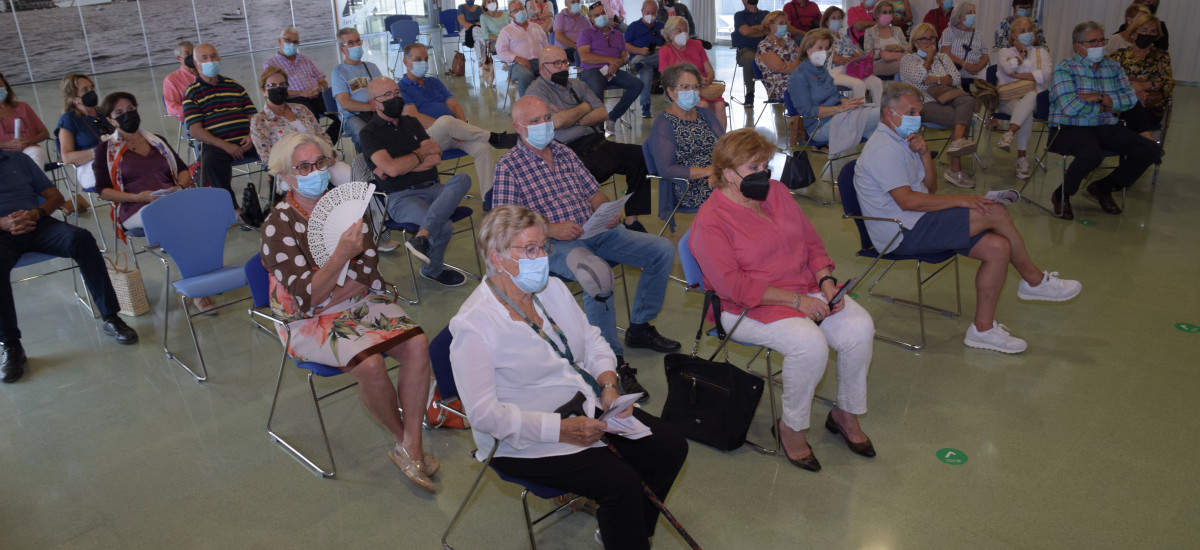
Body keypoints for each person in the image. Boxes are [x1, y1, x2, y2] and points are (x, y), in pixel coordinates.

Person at [449, 204, 687, 550]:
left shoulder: (551, 290)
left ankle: (629, 531)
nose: (541, 257)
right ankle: (626, 533)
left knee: (668, 446)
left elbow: (591, 340)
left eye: (543, 246)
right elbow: (485, 417)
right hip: (521, 439)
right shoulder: (474, 326)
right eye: (529, 249)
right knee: (620, 482)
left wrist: (608, 383)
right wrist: (560, 430)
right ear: (496, 258)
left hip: (583, 406)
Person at [690, 128, 876, 472]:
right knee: (810, 344)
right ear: (728, 173)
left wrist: (826, 279)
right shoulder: (711, 222)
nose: (764, 174)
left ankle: (845, 414)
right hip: (746, 306)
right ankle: (791, 427)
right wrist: (797, 302)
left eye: (765, 165)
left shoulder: (775, 192)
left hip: (804, 288)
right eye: (753, 167)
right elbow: (732, 286)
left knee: (859, 327)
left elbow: (811, 241)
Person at [261, 133, 437, 492]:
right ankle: (403, 438)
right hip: (305, 322)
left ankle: (410, 445)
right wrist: (341, 257)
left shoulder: (345, 206)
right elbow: (306, 299)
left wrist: (333, 286)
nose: (315, 171)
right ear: (288, 177)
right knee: (370, 364)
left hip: (358, 302)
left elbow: (369, 270)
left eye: (320, 163)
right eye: (304, 167)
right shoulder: (277, 225)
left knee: (418, 343)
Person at [855, 82, 1082, 354]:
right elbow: (908, 200)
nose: (917, 116)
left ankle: (982, 331)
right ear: (889, 114)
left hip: (916, 219)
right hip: (900, 232)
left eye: (918, 110)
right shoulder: (883, 148)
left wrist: (925, 154)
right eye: (910, 110)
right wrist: (963, 200)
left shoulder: (904, 140)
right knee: (995, 211)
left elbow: (929, 189)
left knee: (999, 248)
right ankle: (1034, 281)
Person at [493, 95, 682, 400]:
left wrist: (606, 209)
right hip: (552, 245)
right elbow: (505, 224)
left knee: (661, 249)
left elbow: (593, 193)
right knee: (597, 274)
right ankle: (611, 363)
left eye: (546, 117)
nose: (544, 125)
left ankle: (640, 326)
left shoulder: (565, 152)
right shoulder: (508, 167)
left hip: (595, 230)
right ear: (518, 127)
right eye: (535, 121)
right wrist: (549, 229)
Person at [1, 149, 140, 383]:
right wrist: (4, 222)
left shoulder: (18, 159)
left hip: (38, 223)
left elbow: (54, 196)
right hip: (2, 233)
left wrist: (37, 213)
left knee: (81, 239)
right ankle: (12, 346)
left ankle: (111, 317)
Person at [93, 92, 220, 314]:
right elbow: (103, 191)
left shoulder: (156, 141)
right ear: (111, 120)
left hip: (169, 199)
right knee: (176, 222)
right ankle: (196, 285)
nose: (128, 115)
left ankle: (204, 273)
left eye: (131, 109)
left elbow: (182, 171)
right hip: (134, 207)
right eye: (120, 113)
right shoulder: (105, 150)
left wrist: (178, 187)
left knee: (202, 214)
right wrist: (139, 197)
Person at [526, 46, 651, 230]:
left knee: (640, 155)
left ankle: (632, 220)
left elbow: (602, 113)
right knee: (579, 178)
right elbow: (557, 122)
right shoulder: (536, 92)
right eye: (556, 63)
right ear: (542, 67)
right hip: (567, 152)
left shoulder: (577, 85)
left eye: (565, 62)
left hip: (596, 142)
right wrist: (585, 108)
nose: (562, 67)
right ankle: (594, 225)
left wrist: (572, 117)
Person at [360, 77, 470, 287]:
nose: (395, 98)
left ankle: (422, 235)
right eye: (388, 95)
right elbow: (392, 170)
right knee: (444, 226)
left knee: (462, 179)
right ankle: (433, 271)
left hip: (433, 188)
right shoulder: (369, 133)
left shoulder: (411, 122)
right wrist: (420, 154)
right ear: (374, 103)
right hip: (401, 197)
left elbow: (436, 157)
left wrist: (401, 166)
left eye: (396, 93)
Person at [1047, 21, 1161, 219]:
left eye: (1102, 40)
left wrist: (1099, 99)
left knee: (1151, 150)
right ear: (1078, 46)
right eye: (1093, 42)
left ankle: (1102, 187)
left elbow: (1130, 99)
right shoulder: (1065, 68)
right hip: (1067, 128)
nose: (1099, 45)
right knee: (1092, 154)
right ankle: (1062, 194)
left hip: (1103, 126)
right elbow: (1069, 107)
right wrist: (1102, 99)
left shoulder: (1114, 68)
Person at [398, 43, 517, 197]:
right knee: (446, 121)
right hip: (428, 139)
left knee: (482, 148)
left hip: (454, 134)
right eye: (418, 59)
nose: (424, 63)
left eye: (426, 59)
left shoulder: (434, 82)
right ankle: (495, 137)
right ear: (406, 62)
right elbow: (415, 116)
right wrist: (450, 128)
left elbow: (453, 104)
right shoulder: (401, 88)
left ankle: (488, 198)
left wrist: (459, 127)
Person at [182, 44, 257, 212]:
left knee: (279, 149)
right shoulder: (191, 93)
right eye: (204, 58)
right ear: (196, 63)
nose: (210, 61)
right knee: (210, 162)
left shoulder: (234, 86)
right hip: (218, 144)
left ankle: (281, 195)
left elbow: (253, 116)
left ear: (219, 58)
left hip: (248, 140)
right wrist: (225, 145)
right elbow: (194, 129)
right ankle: (234, 210)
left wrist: (252, 135)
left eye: (213, 56)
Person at [900, 23, 977, 188]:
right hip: (924, 103)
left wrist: (935, 79)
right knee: (962, 118)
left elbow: (956, 79)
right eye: (923, 39)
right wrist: (930, 60)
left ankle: (957, 142)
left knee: (968, 100)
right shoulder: (908, 59)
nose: (928, 43)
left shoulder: (943, 57)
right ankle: (955, 168)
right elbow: (920, 77)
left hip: (949, 97)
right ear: (915, 42)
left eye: (932, 38)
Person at [250, 67, 351, 190]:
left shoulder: (301, 109)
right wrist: (302, 167)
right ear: (263, 90)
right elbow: (267, 158)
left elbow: (322, 135)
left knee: (356, 182)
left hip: (322, 162)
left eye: (282, 84)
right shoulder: (260, 120)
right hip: (293, 171)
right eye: (272, 85)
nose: (278, 88)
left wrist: (330, 155)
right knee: (314, 192)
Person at [649, 63, 724, 216]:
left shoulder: (705, 114)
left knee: (752, 185)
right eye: (684, 87)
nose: (691, 91)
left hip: (717, 174)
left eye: (695, 87)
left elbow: (726, 146)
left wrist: (717, 171)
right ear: (670, 91)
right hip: (689, 185)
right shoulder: (664, 123)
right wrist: (706, 171)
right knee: (735, 195)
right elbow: (666, 169)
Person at [789, 29, 881, 147]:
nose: (824, 52)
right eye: (820, 48)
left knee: (876, 131)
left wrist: (848, 102)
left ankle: (869, 161)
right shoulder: (799, 76)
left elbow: (836, 95)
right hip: (820, 127)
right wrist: (838, 109)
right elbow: (807, 112)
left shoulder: (821, 70)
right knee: (882, 114)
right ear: (807, 49)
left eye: (827, 48)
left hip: (839, 117)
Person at [995, 17, 1053, 180]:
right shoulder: (1004, 52)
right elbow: (1007, 68)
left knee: (1032, 96)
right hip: (1008, 100)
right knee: (1025, 112)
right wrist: (1022, 53)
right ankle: (1021, 157)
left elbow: (1045, 76)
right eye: (1022, 31)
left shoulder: (1042, 53)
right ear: (1013, 35)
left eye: (1030, 30)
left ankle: (1010, 133)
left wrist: (1016, 75)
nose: (1027, 33)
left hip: (1035, 101)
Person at [262, 27, 339, 144]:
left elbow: (323, 80)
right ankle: (317, 147)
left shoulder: (305, 59)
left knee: (343, 116)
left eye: (295, 42)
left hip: (317, 95)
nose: (291, 44)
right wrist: (303, 93)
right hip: (295, 99)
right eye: (288, 40)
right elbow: (275, 91)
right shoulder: (271, 64)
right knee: (311, 121)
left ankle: (326, 145)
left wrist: (319, 88)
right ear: (279, 41)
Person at [1108, 14, 1173, 138]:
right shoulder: (1119, 55)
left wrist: (1147, 85)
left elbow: (1167, 82)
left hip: (1149, 107)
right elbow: (1106, 79)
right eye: (1144, 30)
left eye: (1153, 31)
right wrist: (1134, 91)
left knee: (1131, 107)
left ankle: (1146, 145)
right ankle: (1148, 144)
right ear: (1134, 32)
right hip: (1120, 104)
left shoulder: (1161, 57)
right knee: (1131, 104)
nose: (1148, 34)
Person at [578, 2, 641, 127]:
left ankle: (612, 117)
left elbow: (625, 56)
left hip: (612, 70)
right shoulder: (585, 33)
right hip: (592, 70)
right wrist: (610, 60)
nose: (601, 16)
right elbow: (584, 57)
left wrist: (616, 64)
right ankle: (598, 129)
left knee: (637, 84)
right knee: (596, 87)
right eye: (596, 15)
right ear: (591, 18)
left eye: (603, 13)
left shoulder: (617, 34)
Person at [659, 17, 726, 130]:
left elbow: (710, 71)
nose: (683, 34)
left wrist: (707, 80)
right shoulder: (664, 51)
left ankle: (720, 141)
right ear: (670, 34)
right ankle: (703, 138)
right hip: (683, 90)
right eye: (679, 31)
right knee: (702, 105)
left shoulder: (697, 45)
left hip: (704, 88)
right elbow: (666, 79)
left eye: (686, 31)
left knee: (720, 105)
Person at [56, 74, 114, 191]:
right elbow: (66, 157)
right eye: (85, 90)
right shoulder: (68, 120)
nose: (91, 92)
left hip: (113, 158)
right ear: (73, 97)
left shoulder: (101, 113)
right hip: (89, 167)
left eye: (91, 88)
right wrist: (97, 152)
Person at [331, 28, 382, 154]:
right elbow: (345, 104)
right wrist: (372, 107)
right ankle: (366, 167)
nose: (356, 45)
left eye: (358, 41)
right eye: (351, 43)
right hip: (352, 115)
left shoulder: (371, 67)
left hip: (375, 110)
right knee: (362, 134)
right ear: (342, 49)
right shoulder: (338, 72)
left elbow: (382, 91)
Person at [823, 7, 883, 103]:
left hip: (852, 70)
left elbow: (859, 57)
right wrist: (851, 59)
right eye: (833, 18)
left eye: (839, 18)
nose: (837, 20)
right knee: (859, 84)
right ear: (826, 21)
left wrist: (848, 59)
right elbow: (836, 59)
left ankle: (878, 113)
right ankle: (858, 115)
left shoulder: (845, 37)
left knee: (877, 82)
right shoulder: (824, 37)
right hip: (833, 73)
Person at [497, 0, 551, 97]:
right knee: (525, 75)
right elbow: (500, 52)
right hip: (517, 65)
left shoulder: (537, 27)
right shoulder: (506, 31)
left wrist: (549, 59)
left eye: (521, 8)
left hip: (539, 61)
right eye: (515, 10)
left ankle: (551, 101)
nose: (520, 11)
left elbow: (546, 46)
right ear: (511, 15)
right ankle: (525, 105)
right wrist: (517, 58)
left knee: (555, 70)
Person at [624, 1, 666, 119]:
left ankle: (641, 64)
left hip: (658, 56)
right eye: (648, 12)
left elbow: (670, 43)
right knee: (646, 70)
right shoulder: (634, 26)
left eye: (653, 12)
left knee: (664, 54)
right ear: (642, 11)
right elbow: (625, 45)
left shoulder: (662, 26)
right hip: (639, 56)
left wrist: (662, 48)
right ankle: (646, 105)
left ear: (657, 12)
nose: (651, 15)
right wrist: (640, 51)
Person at [0, 73, 50, 167]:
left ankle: (36, 181)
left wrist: (28, 141)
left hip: (29, 149)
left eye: (1, 85)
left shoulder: (22, 107)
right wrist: (6, 144)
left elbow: (45, 133)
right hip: (3, 154)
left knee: (35, 154)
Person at [938, 2, 988, 91]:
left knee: (993, 74)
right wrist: (964, 64)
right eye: (969, 13)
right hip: (954, 70)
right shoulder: (949, 31)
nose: (973, 15)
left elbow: (985, 55)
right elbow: (944, 52)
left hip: (976, 71)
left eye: (974, 12)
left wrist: (979, 66)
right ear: (959, 16)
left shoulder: (978, 34)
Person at [755, 11, 802, 103]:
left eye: (785, 23)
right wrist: (798, 63)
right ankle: (800, 116)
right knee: (807, 89)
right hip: (778, 86)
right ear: (770, 25)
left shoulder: (789, 41)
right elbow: (781, 68)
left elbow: (804, 57)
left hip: (797, 78)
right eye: (781, 23)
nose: (784, 26)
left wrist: (794, 65)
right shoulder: (764, 46)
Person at [732, 0, 768, 107]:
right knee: (750, 59)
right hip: (746, 50)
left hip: (766, 49)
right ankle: (750, 93)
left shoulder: (766, 14)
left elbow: (772, 30)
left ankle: (775, 92)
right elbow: (745, 32)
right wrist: (762, 30)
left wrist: (752, 28)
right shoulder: (739, 15)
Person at [862, 0, 907, 78]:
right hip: (878, 63)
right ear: (877, 14)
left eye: (890, 12)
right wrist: (883, 51)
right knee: (906, 63)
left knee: (908, 63)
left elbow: (906, 48)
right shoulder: (870, 31)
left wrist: (896, 48)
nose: (888, 15)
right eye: (885, 12)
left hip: (898, 59)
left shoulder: (897, 30)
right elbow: (868, 54)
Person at [162, 41, 196, 122]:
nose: (192, 56)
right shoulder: (171, 80)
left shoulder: (205, 73)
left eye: (193, 53)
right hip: (194, 118)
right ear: (179, 58)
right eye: (187, 54)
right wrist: (195, 109)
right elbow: (171, 108)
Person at [555, 0, 591, 64]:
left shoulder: (585, 19)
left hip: (582, 49)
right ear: (566, 4)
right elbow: (558, 36)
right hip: (565, 51)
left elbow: (592, 36)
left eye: (578, 1)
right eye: (573, 2)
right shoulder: (560, 17)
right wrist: (576, 45)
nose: (576, 4)